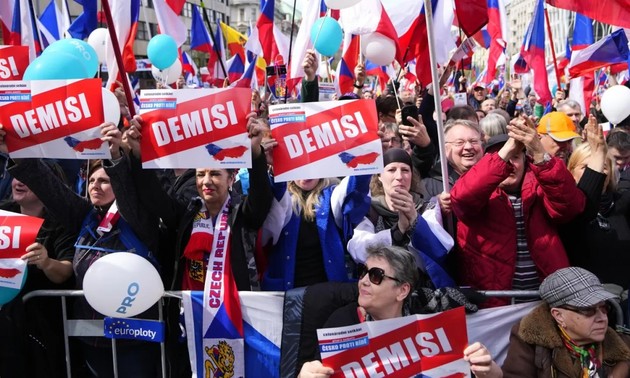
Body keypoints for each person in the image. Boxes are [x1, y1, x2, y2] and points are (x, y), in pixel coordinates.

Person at [1, 123, 162, 377]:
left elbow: (128, 197)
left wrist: (115, 158)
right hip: (90, 338)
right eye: (93, 181)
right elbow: (48, 187)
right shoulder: (85, 216)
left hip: (134, 340)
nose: (96, 186)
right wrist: (15, 150)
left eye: (105, 181)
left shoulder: (139, 220)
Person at [122, 112, 272, 375]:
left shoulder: (242, 213)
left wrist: (255, 153)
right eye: (201, 174)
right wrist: (137, 155)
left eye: (215, 174)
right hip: (190, 315)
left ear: (230, 178)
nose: (206, 181)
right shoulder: (187, 213)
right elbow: (153, 197)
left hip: (235, 317)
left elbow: (261, 194)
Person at [298, 245, 503, 378]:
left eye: (376, 275)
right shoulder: (342, 321)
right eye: (363, 272)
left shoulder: (432, 323)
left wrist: (490, 371)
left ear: (402, 290)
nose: (364, 281)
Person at [450, 119, 586, 307]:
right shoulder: (477, 190)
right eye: (503, 158)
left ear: (526, 161)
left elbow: (570, 206)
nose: (510, 164)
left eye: (516, 157)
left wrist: (539, 152)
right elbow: (462, 198)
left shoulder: (541, 187)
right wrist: (508, 148)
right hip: (495, 304)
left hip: (545, 299)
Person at [0, 163, 75, 378]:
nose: (18, 182)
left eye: (27, 177)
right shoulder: (4, 212)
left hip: (39, 326)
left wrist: (47, 262)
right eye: (15, 176)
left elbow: (66, 271)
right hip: (6, 321)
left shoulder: (62, 222)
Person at [348, 148, 453, 289]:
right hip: (381, 290)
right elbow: (358, 249)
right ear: (379, 175)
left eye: (405, 170)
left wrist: (414, 219)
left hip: (423, 289)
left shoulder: (427, 207)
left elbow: (439, 250)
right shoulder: (369, 210)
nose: (399, 176)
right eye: (391, 170)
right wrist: (398, 231)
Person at [502, 267, 630, 377]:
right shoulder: (530, 342)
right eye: (588, 310)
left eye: (604, 308)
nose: (602, 318)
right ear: (558, 315)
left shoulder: (622, 346)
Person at [259, 171, 370, 290]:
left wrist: (363, 166)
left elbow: (355, 196)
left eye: (310, 168)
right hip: (288, 295)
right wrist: (276, 173)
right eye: (298, 168)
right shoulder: (282, 196)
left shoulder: (333, 194)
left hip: (328, 293)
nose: (305, 174)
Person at [561, 117, 630, 288]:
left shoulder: (624, 202)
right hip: (585, 304)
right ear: (571, 171)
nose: (598, 172)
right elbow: (586, 206)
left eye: (603, 166)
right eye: (587, 167)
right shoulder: (567, 208)